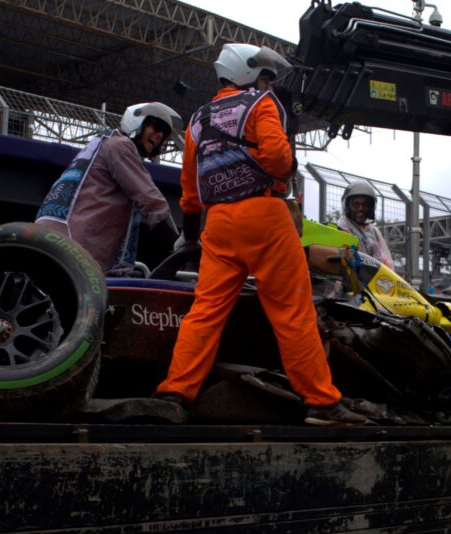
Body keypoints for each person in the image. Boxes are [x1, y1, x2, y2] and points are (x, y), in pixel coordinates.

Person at [155, 43, 366, 427]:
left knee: (205, 312)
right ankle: (321, 402)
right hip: (265, 215)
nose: (268, 85)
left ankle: (175, 393)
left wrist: (190, 237)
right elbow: (279, 159)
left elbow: (189, 194)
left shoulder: (197, 120)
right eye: (265, 77)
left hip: (217, 224)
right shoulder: (259, 104)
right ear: (248, 74)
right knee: (292, 314)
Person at [35, 102, 182, 274]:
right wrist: (178, 245)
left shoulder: (100, 144)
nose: (158, 135)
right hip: (75, 243)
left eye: (163, 133)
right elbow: (150, 200)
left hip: (52, 236)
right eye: (155, 126)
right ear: (137, 122)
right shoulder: (120, 146)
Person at [337, 181, 395, 268]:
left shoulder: (373, 231)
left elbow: (385, 261)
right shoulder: (342, 226)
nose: (361, 208)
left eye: (365, 204)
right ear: (348, 206)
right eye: (356, 204)